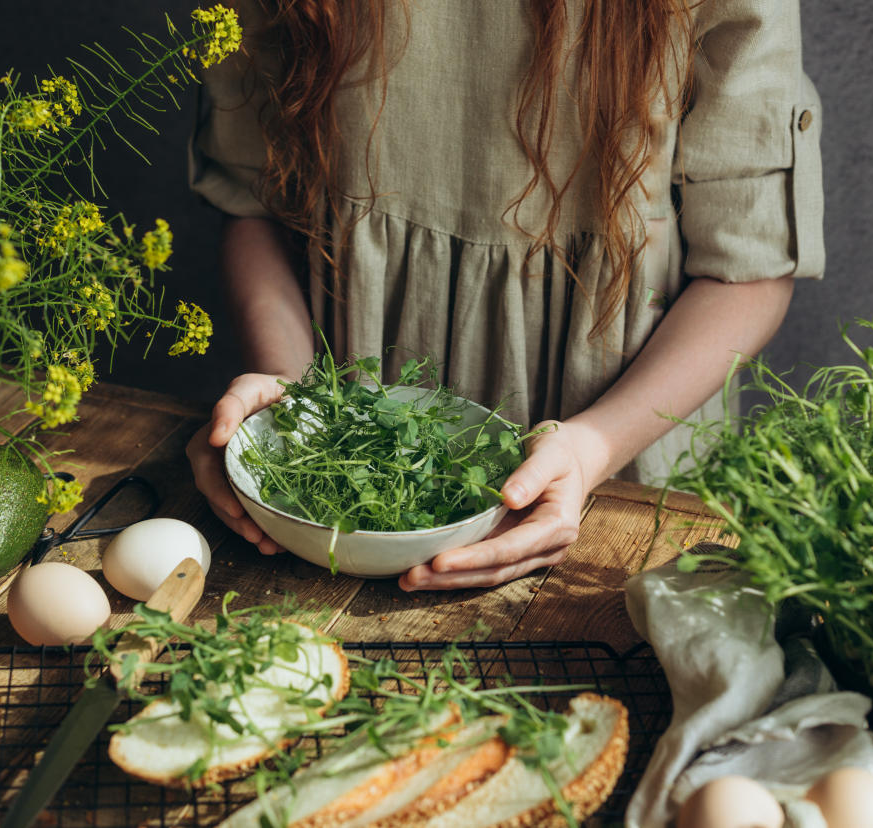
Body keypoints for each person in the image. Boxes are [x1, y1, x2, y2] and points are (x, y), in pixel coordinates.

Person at [185, 0, 824, 591]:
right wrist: (299, 412)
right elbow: (254, 201)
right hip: (343, 433)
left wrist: (590, 448)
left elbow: (747, 266)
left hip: (621, 452)